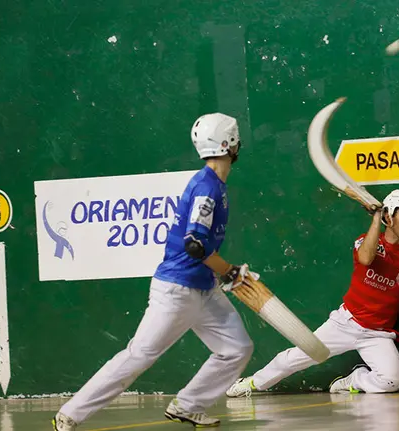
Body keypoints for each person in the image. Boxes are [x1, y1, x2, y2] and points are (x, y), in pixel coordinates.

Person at [52, 113, 255, 430]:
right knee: (138, 356)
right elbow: (195, 245)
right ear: (228, 145)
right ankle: (70, 414)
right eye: (236, 137)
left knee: (237, 349)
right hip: (177, 290)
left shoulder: (214, 184)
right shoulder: (207, 188)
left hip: (204, 288)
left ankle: (188, 405)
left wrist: (225, 275)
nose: (239, 143)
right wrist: (229, 271)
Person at [225, 189, 399, 397]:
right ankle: (253, 384)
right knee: (296, 358)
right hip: (345, 324)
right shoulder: (365, 241)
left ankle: (354, 380)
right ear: (389, 215)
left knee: (392, 381)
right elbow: (366, 259)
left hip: (378, 334)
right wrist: (376, 219)